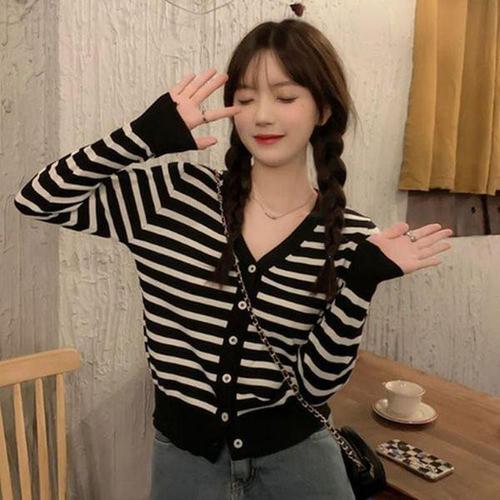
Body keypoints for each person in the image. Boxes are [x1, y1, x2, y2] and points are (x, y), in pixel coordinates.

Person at [14, 18, 452, 500]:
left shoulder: (351, 236)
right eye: (245, 99)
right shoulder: (173, 196)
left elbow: (314, 386)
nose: (261, 116)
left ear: (323, 109)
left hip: (298, 463)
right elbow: (39, 199)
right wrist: (142, 137)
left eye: (285, 97)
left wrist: (361, 283)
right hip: (186, 464)